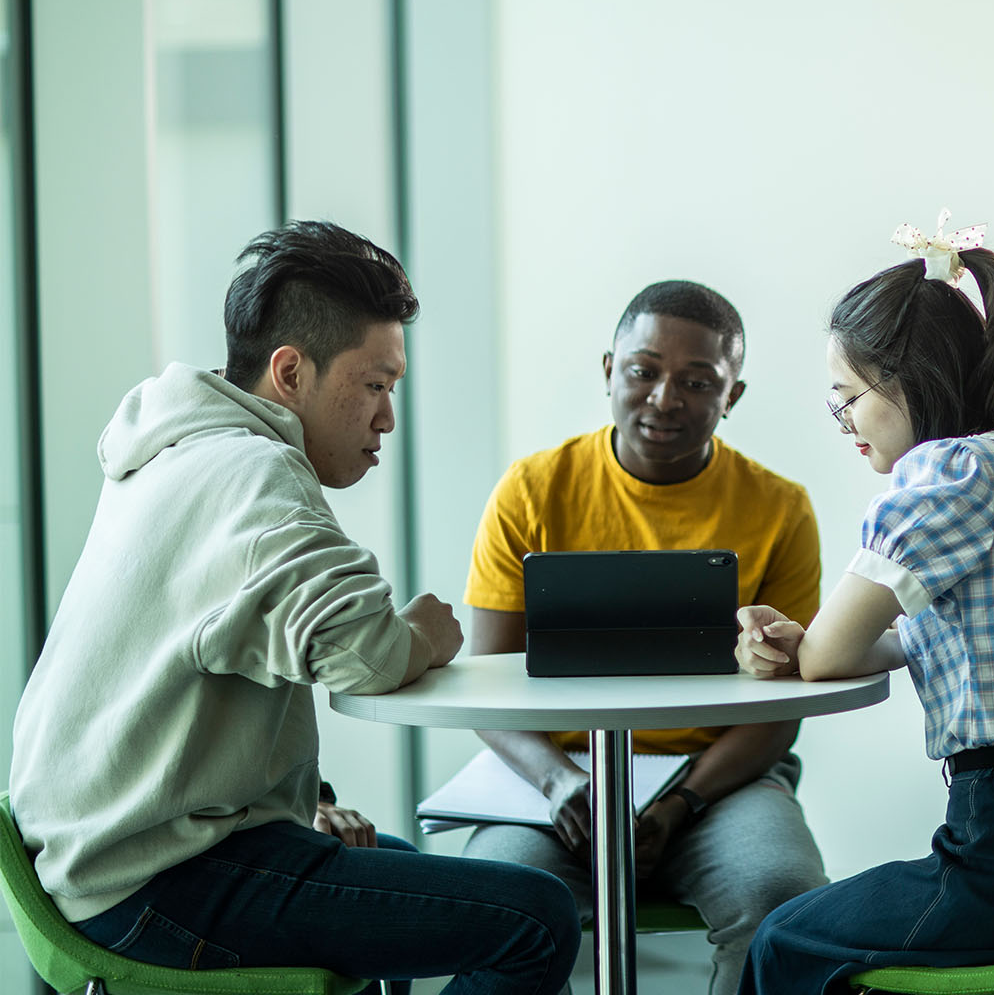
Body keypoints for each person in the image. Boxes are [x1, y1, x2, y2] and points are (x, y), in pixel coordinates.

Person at [9, 221, 579, 995]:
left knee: (400, 882)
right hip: (157, 881)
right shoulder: (253, 472)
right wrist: (423, 632)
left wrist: (310, 800)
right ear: (289, 372)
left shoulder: (174, 453)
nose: (386, 419)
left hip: (101, 856)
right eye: (375, 385)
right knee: (539, 917)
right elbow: (367, 655)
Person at [732, 214, 994, 994]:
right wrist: (814, 640)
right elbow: (928, 635)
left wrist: (811, 644)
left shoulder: (948, 474)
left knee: (786, 941)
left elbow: (829, 658)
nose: (845, 424)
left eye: (847, 398)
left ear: (904, 378)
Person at [461, 280, 827, 995]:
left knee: (780, 895)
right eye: (643, 371)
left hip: (718, 783)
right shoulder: (532, 490)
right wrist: (561, 782)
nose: (665, 398)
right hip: (555, 780)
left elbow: (784, 705)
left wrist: (677, 803)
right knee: (497, 902)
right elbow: (488, 682)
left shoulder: (780, 508)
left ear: (733, 396)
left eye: (698, 381)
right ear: (608, 371)